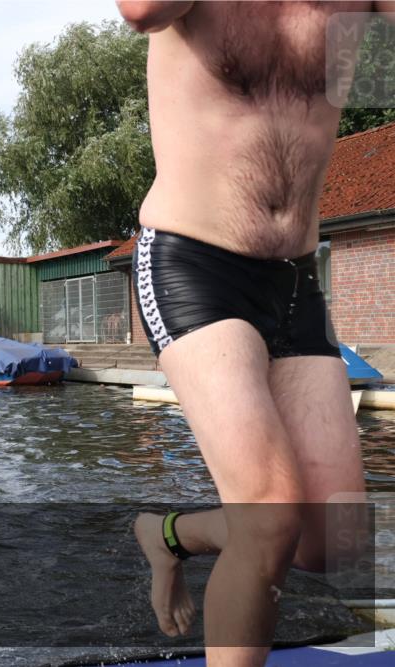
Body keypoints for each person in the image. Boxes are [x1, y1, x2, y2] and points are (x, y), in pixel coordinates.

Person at [115, 2, 383, 663]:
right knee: (269, 513)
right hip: (193, 261)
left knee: (332, 540)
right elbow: (140, 10)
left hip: (293, 279)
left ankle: (169, 534)